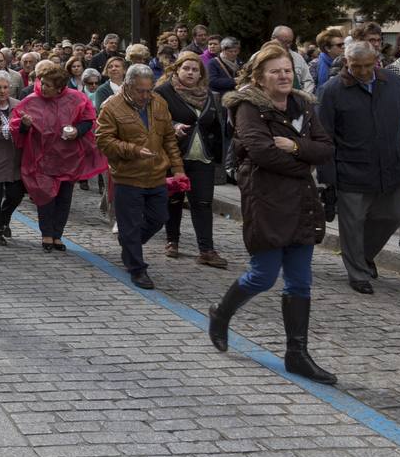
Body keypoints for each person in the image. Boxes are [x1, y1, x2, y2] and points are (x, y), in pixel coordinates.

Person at [210, 43, 336, 383]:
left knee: (300, 280)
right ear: (259, 77)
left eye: (287, 70)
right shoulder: (248, 107)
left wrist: (295, 147)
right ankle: (221, 313)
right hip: (266, 200)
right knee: (263, 276)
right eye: (275, 71)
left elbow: (325, 148)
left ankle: (297, 353)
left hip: (302, 201)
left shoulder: (304, 105)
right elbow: (262, 152)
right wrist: (303, 163)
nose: (283, 75)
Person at [317, 41, 400, 294]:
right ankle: (358, 273)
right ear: (346, 63)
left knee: (393, 215)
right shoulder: (332, 90)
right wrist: (328, 176)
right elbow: (324, 135)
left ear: (376, 61)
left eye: (367, 65)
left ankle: (363, 256)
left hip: (392, 166)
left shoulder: (391, 82)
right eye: (356, 66)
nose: (363, 72)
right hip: (351, 169)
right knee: (352, 224)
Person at [95, 63, 182, 289]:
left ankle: (129, 243)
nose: (145, 95)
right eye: (140, 90)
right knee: (130, 224)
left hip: (156, 174)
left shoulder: (159, 103)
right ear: (128, 85)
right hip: (127, 176)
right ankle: (137, 268)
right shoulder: (112, 107)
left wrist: (179, 169)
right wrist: (132, 149)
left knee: (159, 217)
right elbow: (103, 140)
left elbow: (169, 139)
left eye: (148, 90)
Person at [13, 60, 105, 253]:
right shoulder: (31, 100)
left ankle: (57, 235)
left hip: (68, 158)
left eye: (47, 85)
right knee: (45, 196)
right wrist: (25, 124)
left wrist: (76, 132)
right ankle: (46, 233)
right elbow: (16, 126)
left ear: (60, 88)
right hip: (41, 158)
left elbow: (88, 120)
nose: (42, 87)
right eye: (42, 83)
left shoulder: (76, 98)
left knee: (64, 197)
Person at [154, 53, 226, 268]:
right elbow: (156, 121)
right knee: (174, 199)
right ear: (177, 70)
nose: (190, 73)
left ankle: (206, 250)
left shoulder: (209, 95)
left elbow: (215, 126)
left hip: (202, 158)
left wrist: (218, 157)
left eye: (195, 70)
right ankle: (172, 241)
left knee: (202, 203)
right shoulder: (163, 92)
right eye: (186, 68)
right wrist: (174, 126)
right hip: (174, 157)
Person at [0, 71, 25, 246]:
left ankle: (3, 219)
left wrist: (25, 126)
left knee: (16, 193)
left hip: (15, 157)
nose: (2, 91)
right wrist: (1, 131)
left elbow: (25, 130)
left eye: (6, 87)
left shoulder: (18, 105)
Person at [271, 25, 316, 93]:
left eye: (289, 42)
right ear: (273, 39)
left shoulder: (298, 58)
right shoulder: (259, 57)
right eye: (284, 42)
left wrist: (303, 98)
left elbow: (308, 81)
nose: (288, 45)